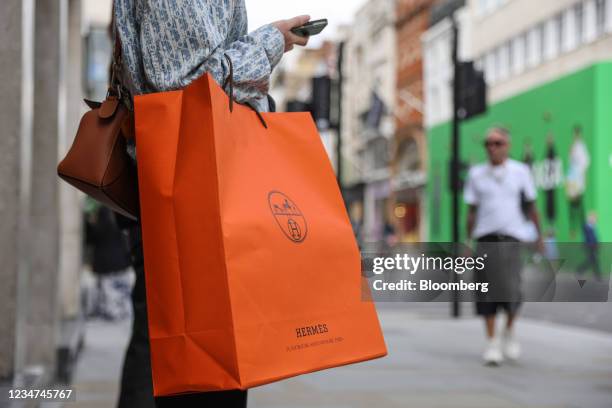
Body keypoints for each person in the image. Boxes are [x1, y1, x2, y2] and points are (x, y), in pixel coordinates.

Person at [112, 2, 311, 406]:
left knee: (186, 358)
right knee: (191, 367)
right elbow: (183, 84)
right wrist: (269, 43)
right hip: (190, 188)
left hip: (198, 184)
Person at [464, 127, 543, 366]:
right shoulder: (476, 174)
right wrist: (467, 242)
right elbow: (471, 211)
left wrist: (539, 237)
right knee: (486, 293)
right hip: (485, 241)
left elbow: (531, 206)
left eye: (497, 143)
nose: (492, 147)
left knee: (513, 293)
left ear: (507, 145)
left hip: (512, 240)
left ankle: (508, 330)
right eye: (488, 143)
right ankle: (492, 343)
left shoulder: (520, 172)